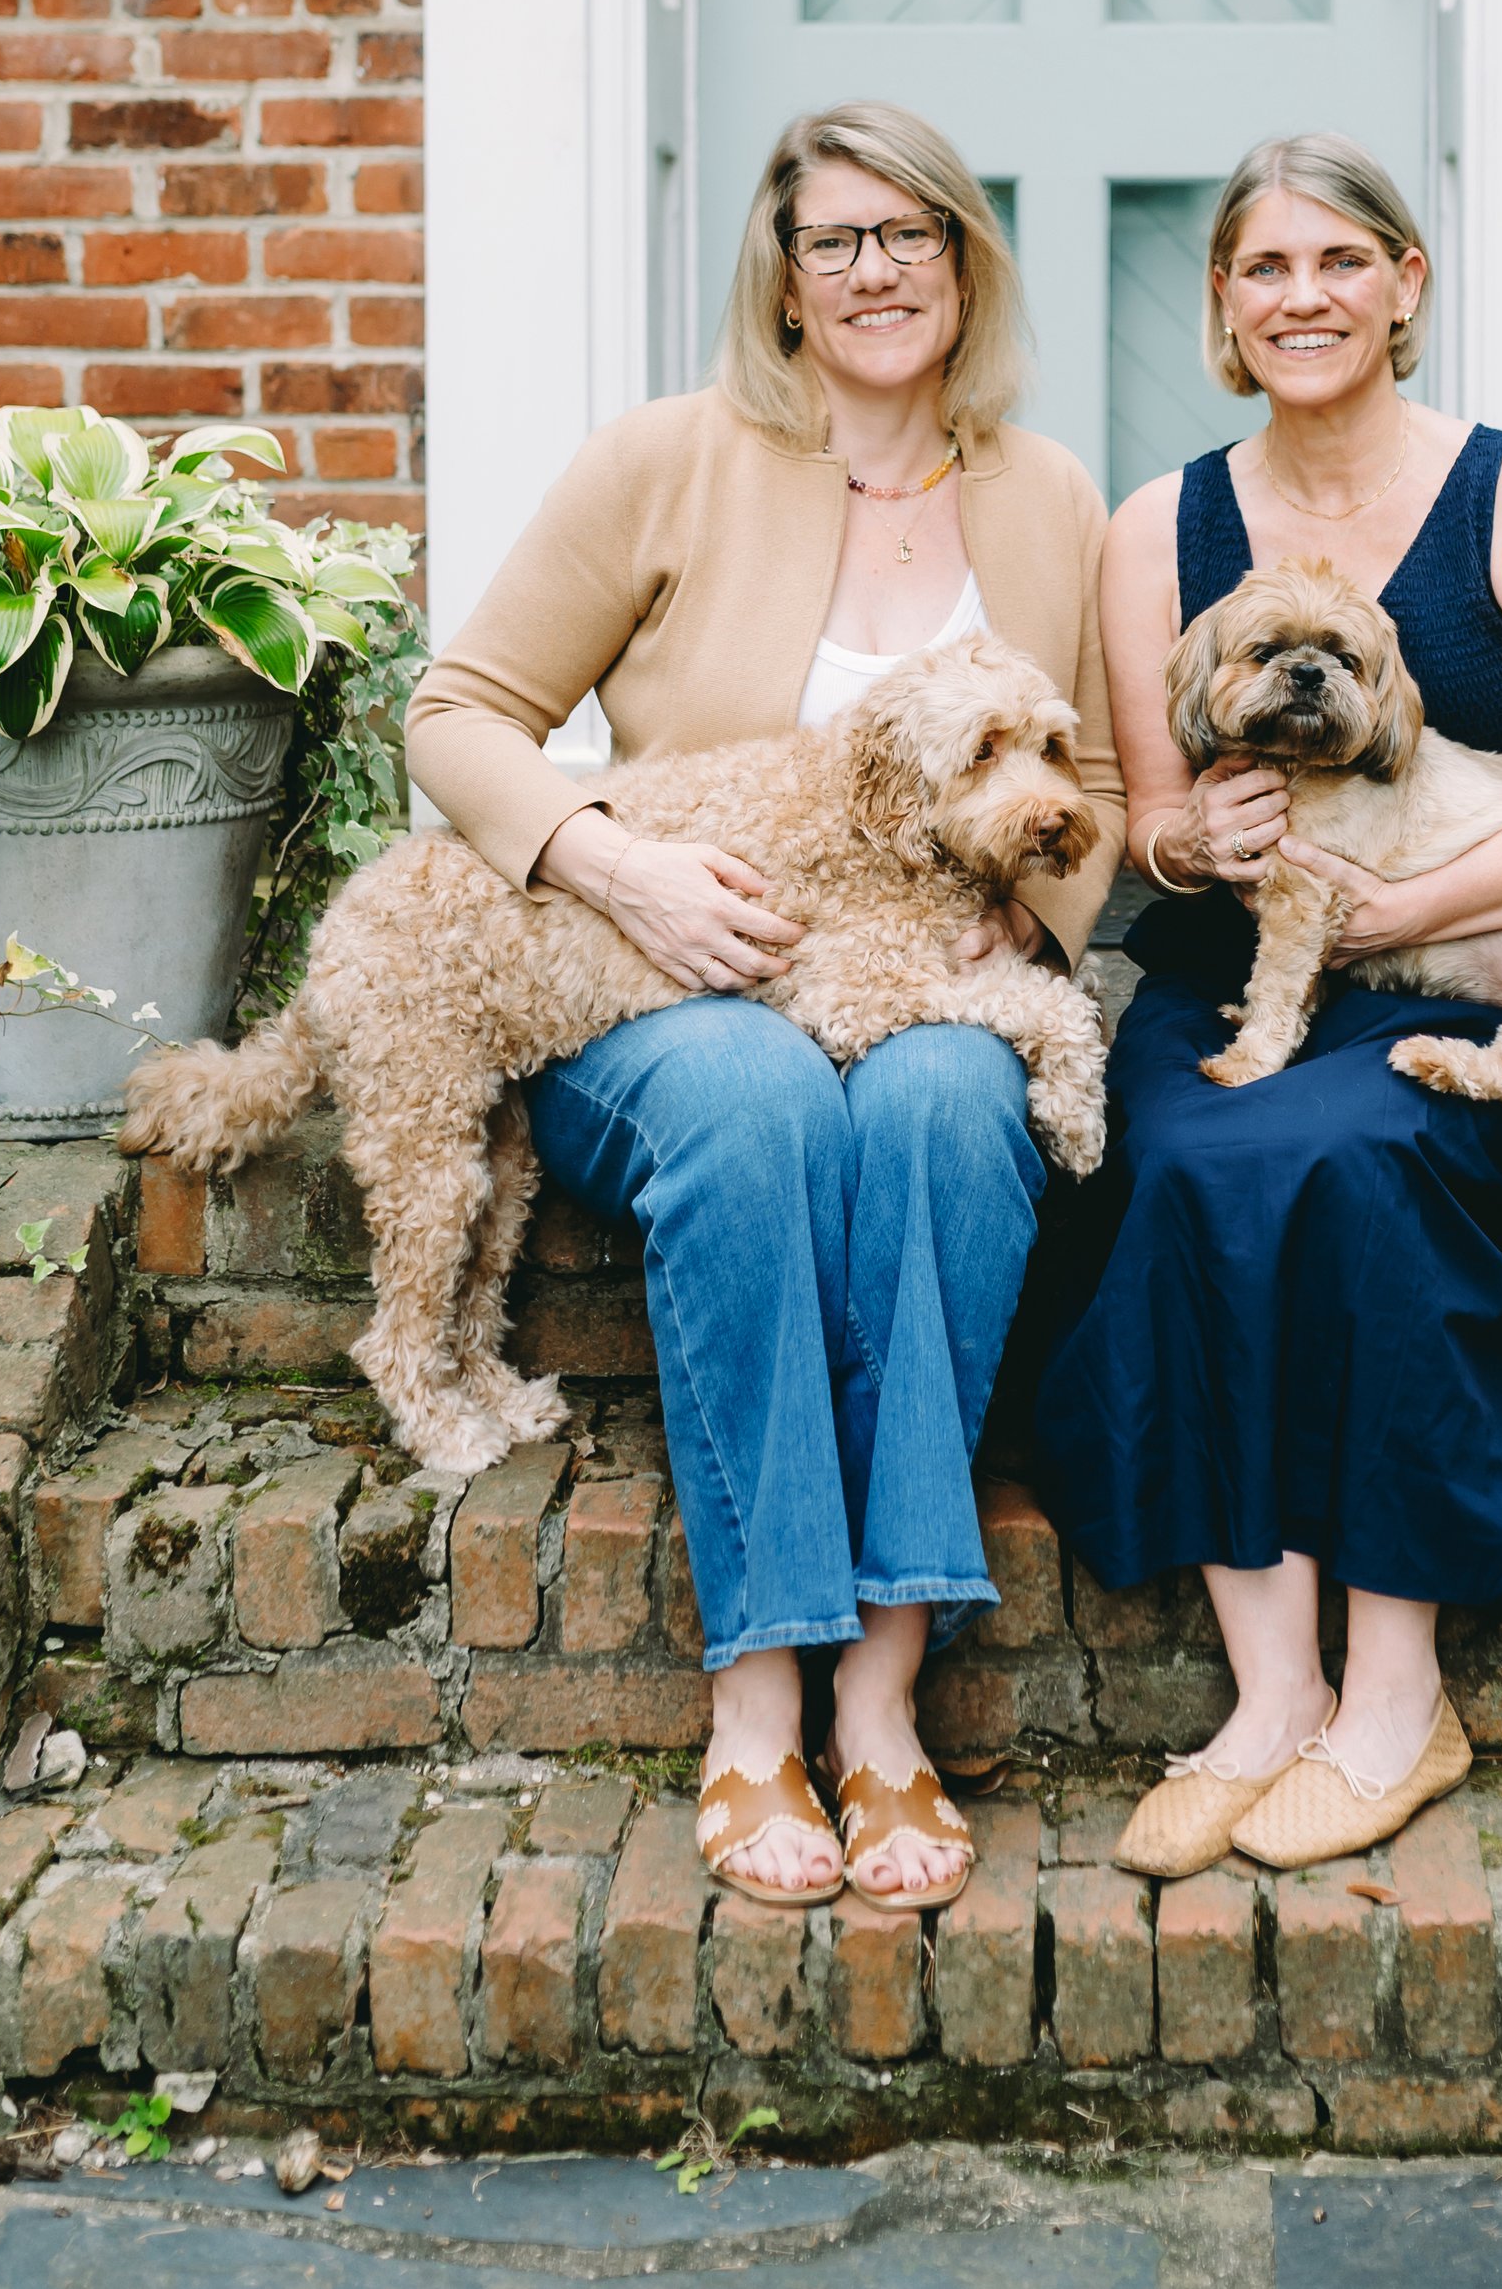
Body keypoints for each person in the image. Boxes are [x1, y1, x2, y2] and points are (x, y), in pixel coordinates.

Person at [407, 103, 1123, 1914]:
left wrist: (1021, 934)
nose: (878, 270)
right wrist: (606, 859)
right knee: (755, 1100)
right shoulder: (664, 459)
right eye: (838, 241)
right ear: (784, 280)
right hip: (667, 992)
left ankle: (882, 1694)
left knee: (951, 1104)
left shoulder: (1043, 494)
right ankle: (757, 1695)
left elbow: (1088, 778)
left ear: (965, 267)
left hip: (926, 985)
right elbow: (456, 714)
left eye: (915, 235)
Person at [1035, 133, 1502, 1877]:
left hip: (1489, 971)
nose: (1304, 296)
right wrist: (1192, 836)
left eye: (1342, 260)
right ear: (1225, 311)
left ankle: (1395, 1688)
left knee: (1349, 1151)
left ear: (1406, 284)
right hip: (1243, 975)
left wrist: (1403, 907)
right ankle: (1267, 1696)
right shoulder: (1158, 526)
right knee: (1193, 1153)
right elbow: (1146, 817)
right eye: (1265, 268)